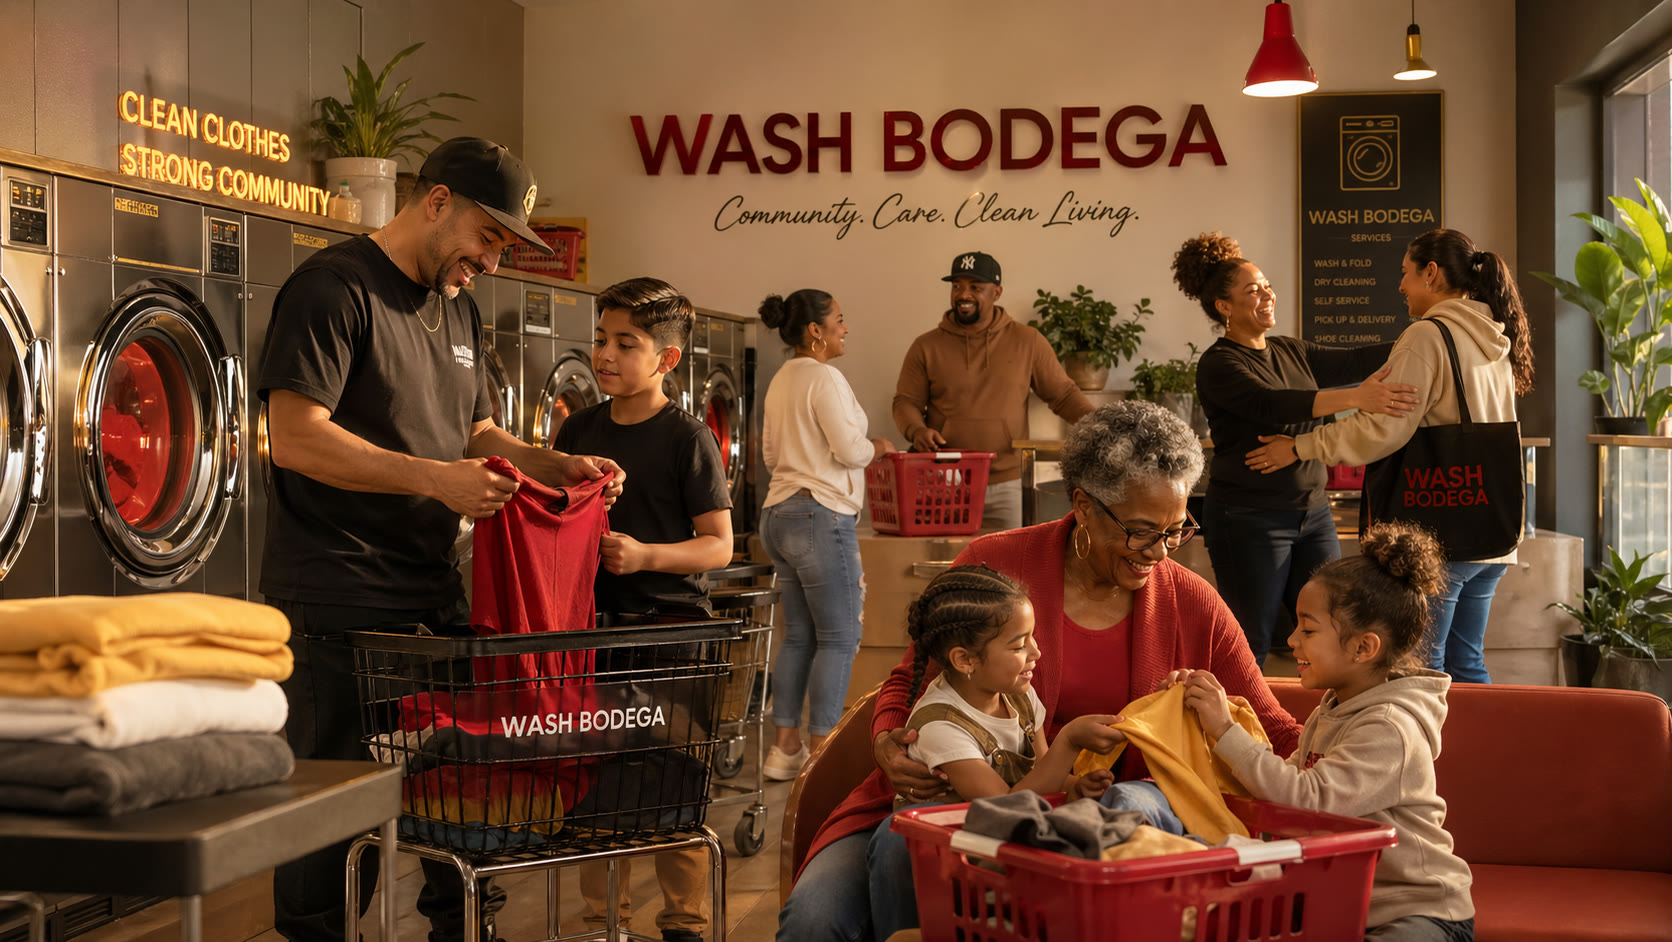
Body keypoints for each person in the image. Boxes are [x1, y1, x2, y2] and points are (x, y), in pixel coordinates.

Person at [259, 137, 623, 942]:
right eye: (488, 237)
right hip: (336, 594)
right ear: (435, 202)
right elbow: (294, 437)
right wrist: (433, 479)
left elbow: (477, 429)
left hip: (428, 588)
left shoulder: (455, 305)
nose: (492, 260)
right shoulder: (333, 287)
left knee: (460, 786)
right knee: (330, 812)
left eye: (503, 244)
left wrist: (553, 463)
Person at [777, 400, 1304, 942]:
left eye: (1176, 530)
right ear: (1083, 504)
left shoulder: (1192, 602)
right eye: (1142, 531)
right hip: (945, 805)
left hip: (1090, 830)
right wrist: (889, 738)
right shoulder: (997, 564)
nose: (1159, 552)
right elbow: (909, 679)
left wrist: (1356, 753)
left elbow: (1270, 724)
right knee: (813, 921)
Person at [1246, 229, 1534, 683]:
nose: (1399, 285)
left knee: (1423, 668)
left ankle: (1429, 757)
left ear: (1431, 274)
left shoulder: (1428, 334)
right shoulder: (1493, 335)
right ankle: (1473, 754)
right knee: (1467, 663)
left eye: (1405, 273)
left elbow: (1385, 429)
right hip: (1491, 531)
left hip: (1440, 534)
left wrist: (1301, 446)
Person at [1181, 522, 1475, 941]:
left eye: (1308, 629)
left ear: (1363, 648)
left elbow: (1310, 800)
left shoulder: (1390, 727)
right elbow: (1286, 797)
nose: (1292, 640)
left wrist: (1226, 730)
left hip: (1419, 912)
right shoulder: (1335, 708)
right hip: (1342, 902)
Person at [553, 277, 733, 942]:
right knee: (597, 787)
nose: (605, 354)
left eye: (625, 344)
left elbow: (719, 545)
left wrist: (646, 556)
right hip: (594, 638)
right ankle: (604, 925)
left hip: (675, 640)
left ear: (667, 359)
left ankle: (684, 926)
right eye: (601, 339)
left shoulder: (688, 438)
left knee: (673, 788)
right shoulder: (578, 428)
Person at [1174, 232, 1420, 664]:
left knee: (1331, 629)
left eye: (1266, 285)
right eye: (1252, 290)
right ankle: (1234, 725)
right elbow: (1273, 406)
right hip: (1249, 519)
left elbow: (1357, 360)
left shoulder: (1290, 350)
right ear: (1224, 308)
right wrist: (1355, 398)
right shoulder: (1220, 363)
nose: (1266, 294)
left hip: (1313, 512)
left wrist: (1429, 334)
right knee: (1249, 640)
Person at [756, 289, 894, 782]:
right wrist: (876, 445)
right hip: (820, 516)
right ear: (815, 331)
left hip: (778, 515)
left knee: (799, 637)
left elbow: (771, 457)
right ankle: (821, 760)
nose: (845, 327)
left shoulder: (781, 380)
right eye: (839, 318)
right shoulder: (825, 378)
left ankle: (784, 750)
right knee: (840, 637)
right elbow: (851, 450)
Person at [892, 251, 1095, 531]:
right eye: (956, 286)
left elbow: (1063, 395)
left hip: (1008, 484)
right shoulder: (926, 346)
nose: (963, 294)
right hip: (944, 484)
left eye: (975, 287)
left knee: (1009, 569)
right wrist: (916, 430)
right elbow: (905, 402)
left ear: (996, 292)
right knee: (949, 568)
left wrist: (1103, 426)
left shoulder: (1027, 341)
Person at [897, 564, 1122, 806]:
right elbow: (1006, 806)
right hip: (933, 837)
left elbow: (1041, 773)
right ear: (964, 660)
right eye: (1018, 646)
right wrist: (1069, 742)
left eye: (1032, 636)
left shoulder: (1018, 695)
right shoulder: (941, 728)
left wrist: (1075, 786)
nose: (1036, 652)